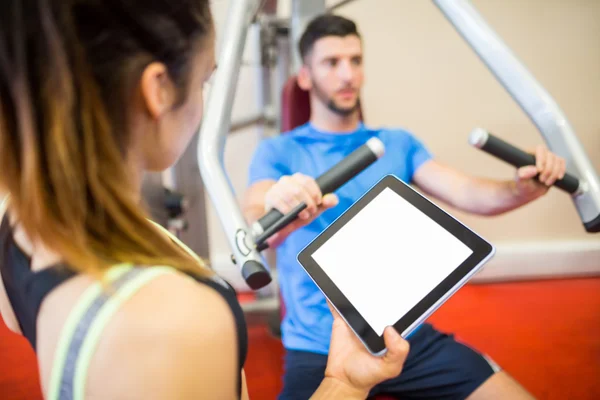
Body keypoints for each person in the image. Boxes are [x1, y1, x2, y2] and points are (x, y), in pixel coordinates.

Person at [0, 2, 410, 399]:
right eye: (203, 80)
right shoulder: (180, 320)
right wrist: (345, 386)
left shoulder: (15, 217)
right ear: (158, 89)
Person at [243, 14, 567, 400]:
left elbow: (468, 193)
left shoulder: (396, 143)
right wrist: (278, 199)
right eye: (332, 63)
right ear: (306, 76)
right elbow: (255, 210)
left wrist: (522, 188)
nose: (348, 75)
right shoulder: (280, 151)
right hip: (322, 344)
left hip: (404, 334)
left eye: (356, 60)